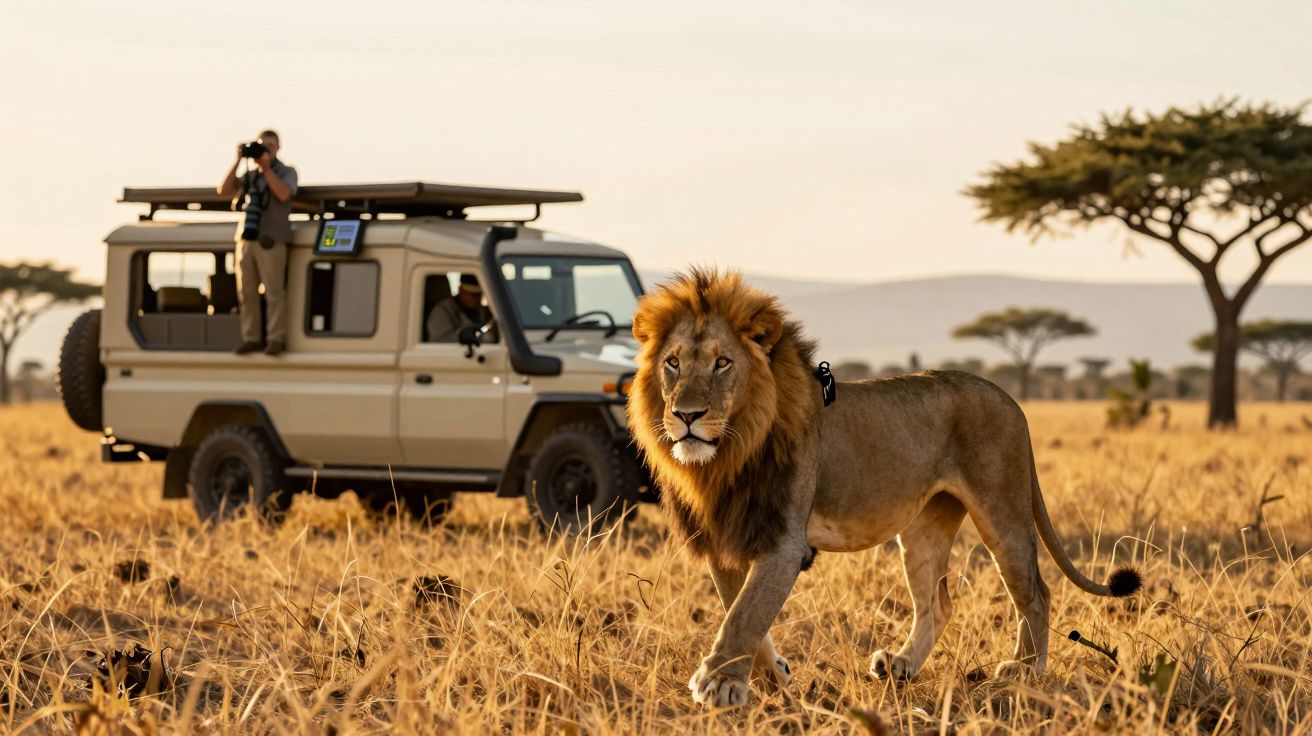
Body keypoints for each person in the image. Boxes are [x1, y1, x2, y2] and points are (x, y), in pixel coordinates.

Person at [217, 129, 299, 356]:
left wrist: (266, 169)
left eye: (271, 146)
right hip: (246, 238)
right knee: (247, 293)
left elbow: (284, 195)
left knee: (274, 293)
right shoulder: (250, 175)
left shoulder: (286, 172)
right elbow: (223, 191)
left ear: (278, 147)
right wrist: (237, 160)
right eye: (264, 146)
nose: (267, 150)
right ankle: (251, 337)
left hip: (271, 239)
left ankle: (275, 338)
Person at [427, 274, 492, 343]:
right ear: (461, 290)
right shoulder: (442, 311)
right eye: (472, 295)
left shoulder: (481, 310)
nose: (476, 299)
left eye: (479, 295)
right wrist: (461, 336)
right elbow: (438, 342)